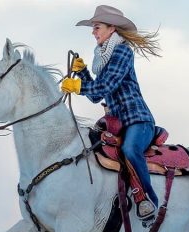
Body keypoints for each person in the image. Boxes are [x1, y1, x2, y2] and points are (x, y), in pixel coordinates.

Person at [61, 5, 162, 219]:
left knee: (130, 148)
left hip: (137, 120)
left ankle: (147, 201)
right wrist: (83, 73)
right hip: (118, 121)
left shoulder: (122, 51)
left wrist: (78, 86)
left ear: (111, 29)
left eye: (97, 27)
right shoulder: (104, 56)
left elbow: (104, 87)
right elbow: (97, 95)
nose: (93, 32)